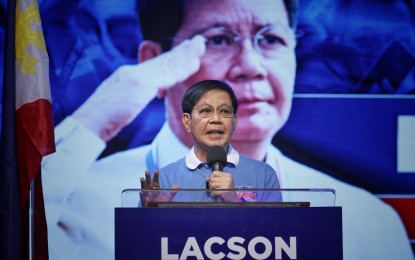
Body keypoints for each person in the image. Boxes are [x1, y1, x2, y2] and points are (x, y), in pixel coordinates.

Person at [41, 0, 414, 259]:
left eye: (271, 39)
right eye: (218, 39)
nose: (251, 65)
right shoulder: (70, 205)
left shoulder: (365, 221)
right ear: (157, 62)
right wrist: (96, 120)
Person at [140, 80, 281, 205]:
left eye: (225, 111)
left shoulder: (263, 174)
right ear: (187, 121)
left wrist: (234, 200)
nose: (216, 119)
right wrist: (152, 215)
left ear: (234, 122)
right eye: (206, 111)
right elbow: (140, 233)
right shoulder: (164, 179)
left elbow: (277, 230)